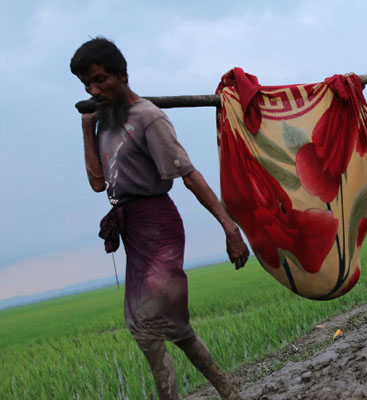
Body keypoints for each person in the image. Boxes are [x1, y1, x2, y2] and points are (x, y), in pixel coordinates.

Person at [70, 37, 249, 400]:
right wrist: (87, 131)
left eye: (101, 80)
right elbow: (96, 183)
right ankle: (229, 391)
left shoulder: (149, 118)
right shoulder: (104, 121)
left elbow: (189, 175)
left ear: (123, 75)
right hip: (132, 230)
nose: (94, 89)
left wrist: (230, 229)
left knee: (147, 329)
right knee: (174, 330)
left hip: (159, 227)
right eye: (87, 84)